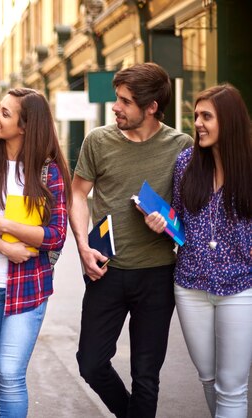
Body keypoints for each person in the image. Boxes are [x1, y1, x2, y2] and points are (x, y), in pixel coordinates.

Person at [69, 62, 193, 418]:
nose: (115, 107)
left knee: (146, 376)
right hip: (106, 270)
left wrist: (168, 223)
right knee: (90, 363)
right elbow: (78, 195)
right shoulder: (98, 140)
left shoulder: (181, 146)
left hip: (157, 275)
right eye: (116, 98)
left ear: (151, 106)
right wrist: (82, 246)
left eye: (125, 101)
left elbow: (190, 214)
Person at [0, 88, 71, 417]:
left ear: (25, 126)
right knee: (3, 372)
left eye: (5, 113)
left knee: (9, 371)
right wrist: (5, 246)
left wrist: (9, 226)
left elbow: (56, 235)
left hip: (28, 288)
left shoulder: (48, 173)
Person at [144, 84, 252, 418]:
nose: (198, 124)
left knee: (231, 387)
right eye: (196, 116)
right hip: (190, 286)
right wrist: (163, 225)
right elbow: (180, 222)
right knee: (208, 379)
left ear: (229, 121)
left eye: (207, 116)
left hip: (241, 288)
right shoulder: (186, 163)